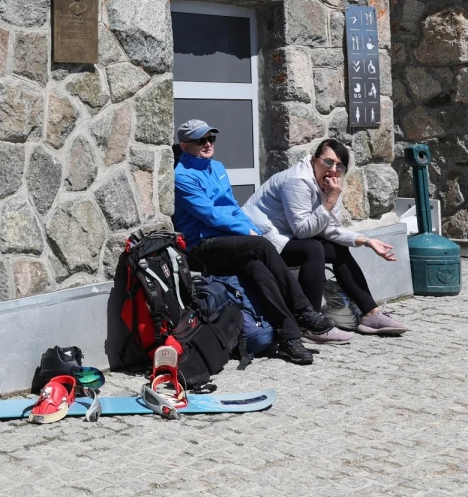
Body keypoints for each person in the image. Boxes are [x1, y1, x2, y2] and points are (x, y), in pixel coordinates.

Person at [173, 119, 341, 365]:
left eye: (211, 139)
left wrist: (250, 228)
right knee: (261, 246)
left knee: (258, 268)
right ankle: (304, 310)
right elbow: (210, 214)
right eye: (200, 140)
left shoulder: (217, 167)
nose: (208, 144)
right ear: (185, 146)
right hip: (202, 245)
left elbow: (232, 206)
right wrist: (248, 234)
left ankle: (290, 339)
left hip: (228, 241)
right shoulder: (182, 176)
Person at [242, 139, 408, 337]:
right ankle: (311, 323)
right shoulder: (298, 180)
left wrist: (367, 241)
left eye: (340, 166)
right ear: (314, 160)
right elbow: (303, 231)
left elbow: (329, 229)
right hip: (262, 239)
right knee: (312, 248)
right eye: (328, 162)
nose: (333, 169)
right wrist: (330, 201)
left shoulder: (330, 186)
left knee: (336, 248)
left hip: (285, 236)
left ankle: (370, 313)